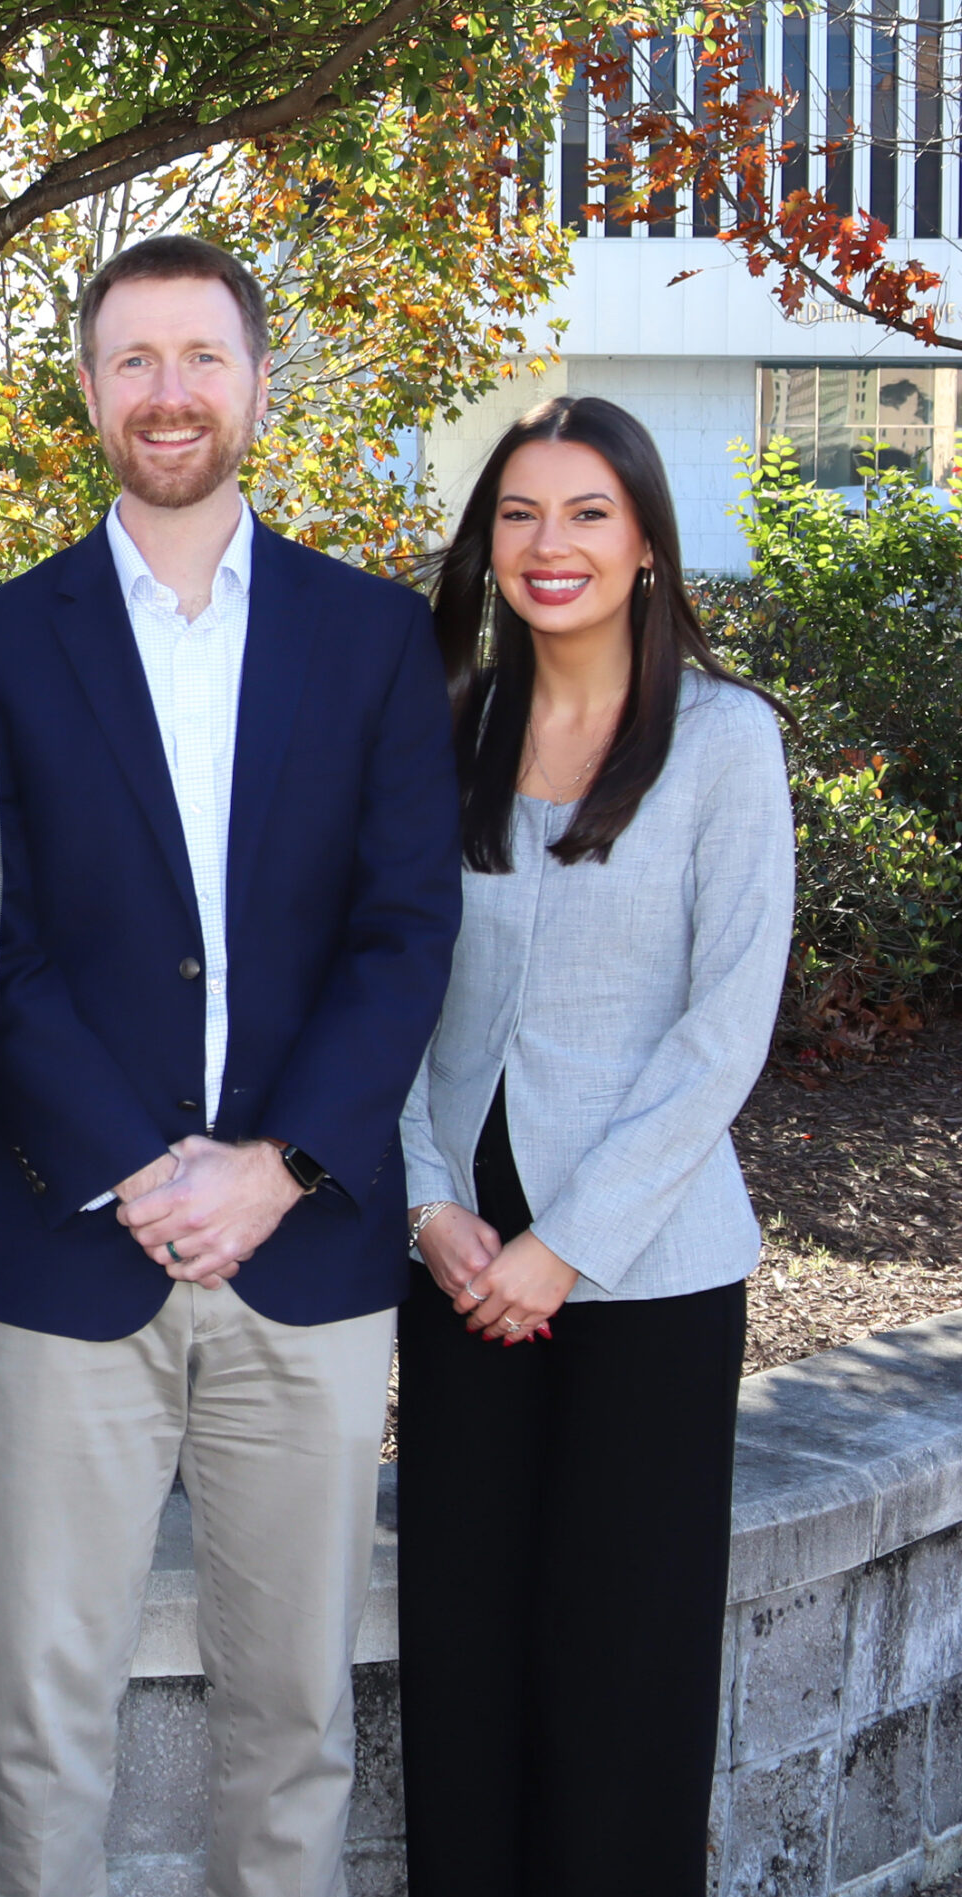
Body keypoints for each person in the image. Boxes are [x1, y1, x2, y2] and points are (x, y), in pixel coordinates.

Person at [0, 234, 462, 1897]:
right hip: (65, 1241)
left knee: (296, 1712)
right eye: (135, 359)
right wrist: (143, 1169)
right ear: (90, 389)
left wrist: (276, 1165)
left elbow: (406, 931)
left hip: (307, 1253)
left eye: (203, 356)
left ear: (258, 382)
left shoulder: (373, 635)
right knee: (35, 1714)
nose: (171, 392)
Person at [396, 395, 793, 1895]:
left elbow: (722, 1031)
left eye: (586, 513)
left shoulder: (725, 740)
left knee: (622, 1670)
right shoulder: (447, 728)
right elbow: (391, 984)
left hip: (645, 1273)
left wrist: (564, 1249)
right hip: (458, 1265)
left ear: (645, 547)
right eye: (518, 513)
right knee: (465, 1657)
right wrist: (428, 1208)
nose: (547, 543)